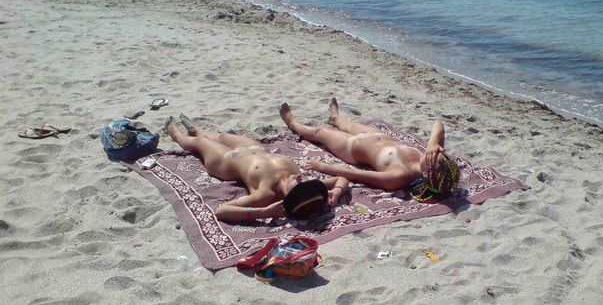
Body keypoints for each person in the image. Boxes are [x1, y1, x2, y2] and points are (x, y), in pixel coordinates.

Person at [166, 115, 349, 221]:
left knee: (200, 142)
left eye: (299, 185)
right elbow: (342, 179)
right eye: (304, 183)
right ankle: (197, 129)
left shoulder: (266, 194)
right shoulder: (302, 184)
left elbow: (221, 211)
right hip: (255, 149)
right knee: (222, 136)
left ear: (290, 195)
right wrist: (337, 192)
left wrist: (263, 212)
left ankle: (177, 135)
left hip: (226, 162)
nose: (301, 178)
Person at [279, 98, 460, 202]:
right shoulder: (430, 154)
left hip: (353, 147)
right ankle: (336, 118)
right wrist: (433, 143)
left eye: (434, 157)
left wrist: (323, 167)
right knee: (348, 124)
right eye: (438, 153)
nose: (433, 153)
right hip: (376, 135)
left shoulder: (399, 176)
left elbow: (358, 175)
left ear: (429, 173)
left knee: (320, 132)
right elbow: (438, 124)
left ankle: (293, 123)